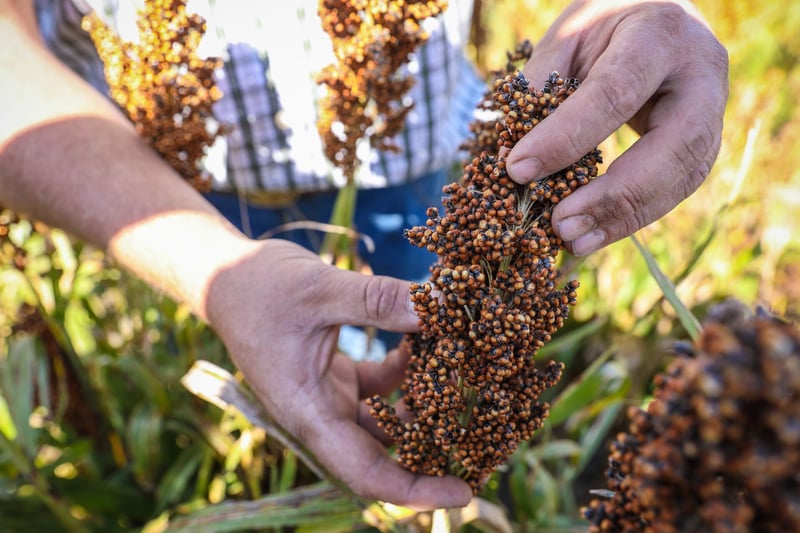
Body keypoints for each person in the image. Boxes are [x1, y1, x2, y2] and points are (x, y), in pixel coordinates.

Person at [0, 0, 728, 510]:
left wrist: (635, 11)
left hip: (430, 188)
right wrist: (208, 269)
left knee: (426, 393)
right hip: (141, 188)